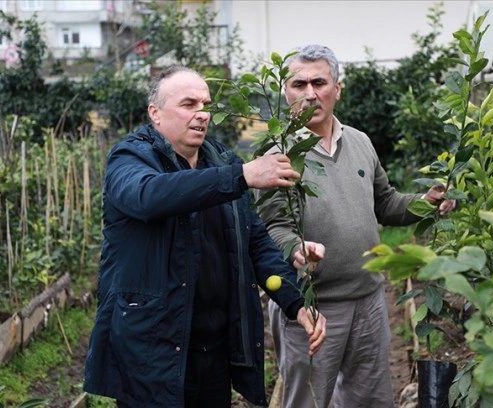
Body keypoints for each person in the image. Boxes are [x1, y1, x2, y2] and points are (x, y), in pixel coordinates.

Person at [83, 66, 327, 408]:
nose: (202, 114)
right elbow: (149, 196)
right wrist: (241, 176)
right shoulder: (130, 158)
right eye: (188, 104)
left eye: (206, 104)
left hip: (214, 351)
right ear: (155, 112)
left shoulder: (221, 159)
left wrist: (296, 302)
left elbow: (254, 242)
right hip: (152, 351)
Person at [258, 44, 456, 408]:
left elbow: (385, 203)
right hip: (312, 308)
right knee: (308, 400)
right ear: (286, 92)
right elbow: (272, 229)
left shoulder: (360, 142)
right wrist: (296, 248)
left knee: (369, 399)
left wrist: (424, 203)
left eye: (319, 82)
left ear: (337, 88)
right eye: (298, 84)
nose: (309, 93)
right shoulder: (275, 157)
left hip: (368, 299)